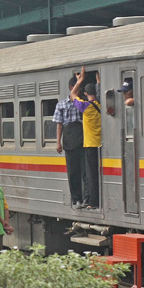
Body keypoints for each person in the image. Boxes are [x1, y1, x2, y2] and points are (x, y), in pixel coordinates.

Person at [70, 66, 101, 210]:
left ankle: (93, 202)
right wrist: (98, 82)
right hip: (100, 144)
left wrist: (79, 81)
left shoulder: (86, 107)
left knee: (91, 175)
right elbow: (98, 92)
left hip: (90, 144)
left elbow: (72, 95)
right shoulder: (100, 104)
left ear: (86, 93)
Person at [55, 75, 87, 209]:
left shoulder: (83, 103)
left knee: (85, 171)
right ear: (71, 88)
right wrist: (58, 142)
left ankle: (86, 198)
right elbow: (59, 124)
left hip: (83, 137)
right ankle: (76, 199)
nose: (78, 92)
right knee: (73, 171)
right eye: (76, 89)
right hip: (69, 137)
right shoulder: (61, 104)